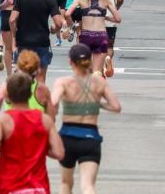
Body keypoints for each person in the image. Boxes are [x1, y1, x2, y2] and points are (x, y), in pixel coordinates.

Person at [51, 44, 121, 194]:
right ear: (89, 61)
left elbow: (53, 103)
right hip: (90, 138)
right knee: (88, 185)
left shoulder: (63, 82)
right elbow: (116, 107)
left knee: (65, 183)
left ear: (70, 62)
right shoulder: (99, 83)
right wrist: (98, 104)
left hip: (67, 138)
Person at [0, 71, 64, 194]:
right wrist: (42, 148)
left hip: (11, 186)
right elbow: (59, 153)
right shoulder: (45, 120)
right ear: (30, 93)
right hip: (39, 187)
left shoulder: (3, 120)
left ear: (8, 95)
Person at [9, 0, 65, 84]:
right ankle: (39, 99)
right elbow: (58, 23)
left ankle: (24, 98)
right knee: (41, 78)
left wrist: (14, 34)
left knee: (24, 76)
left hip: (24, 41)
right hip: (42, 41)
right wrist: (54, 30)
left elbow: (12, 19)